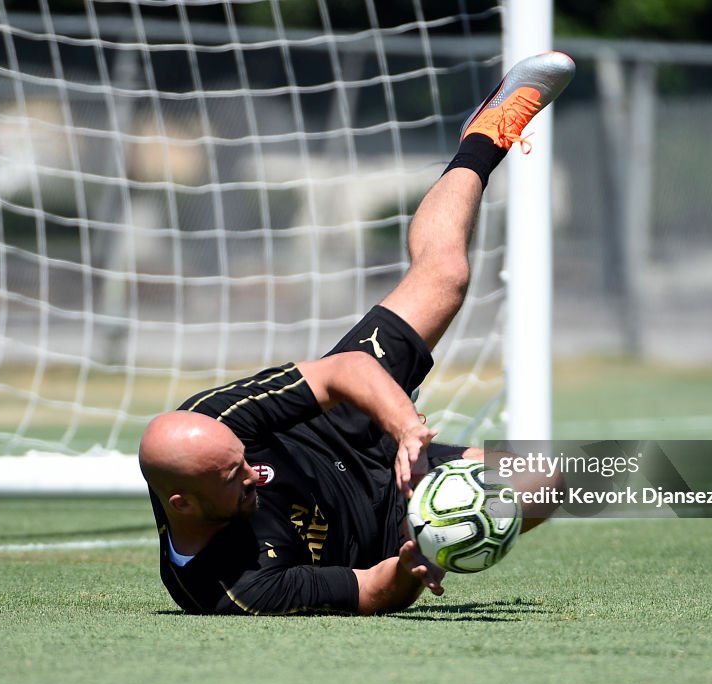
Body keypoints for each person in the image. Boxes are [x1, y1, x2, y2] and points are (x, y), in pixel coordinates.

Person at [138, 52, 576, 615]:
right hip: (384, 519)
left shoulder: (212, 420)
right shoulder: (230, 588)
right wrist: (423, 556)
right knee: (546, 482)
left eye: (243, 458)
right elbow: (371, 591)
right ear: (184, 504)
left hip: (336, 422)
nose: (255, 473)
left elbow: (343, 373)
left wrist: (407, 431)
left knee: (445, 276)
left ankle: (485, 134)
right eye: (234, 474)